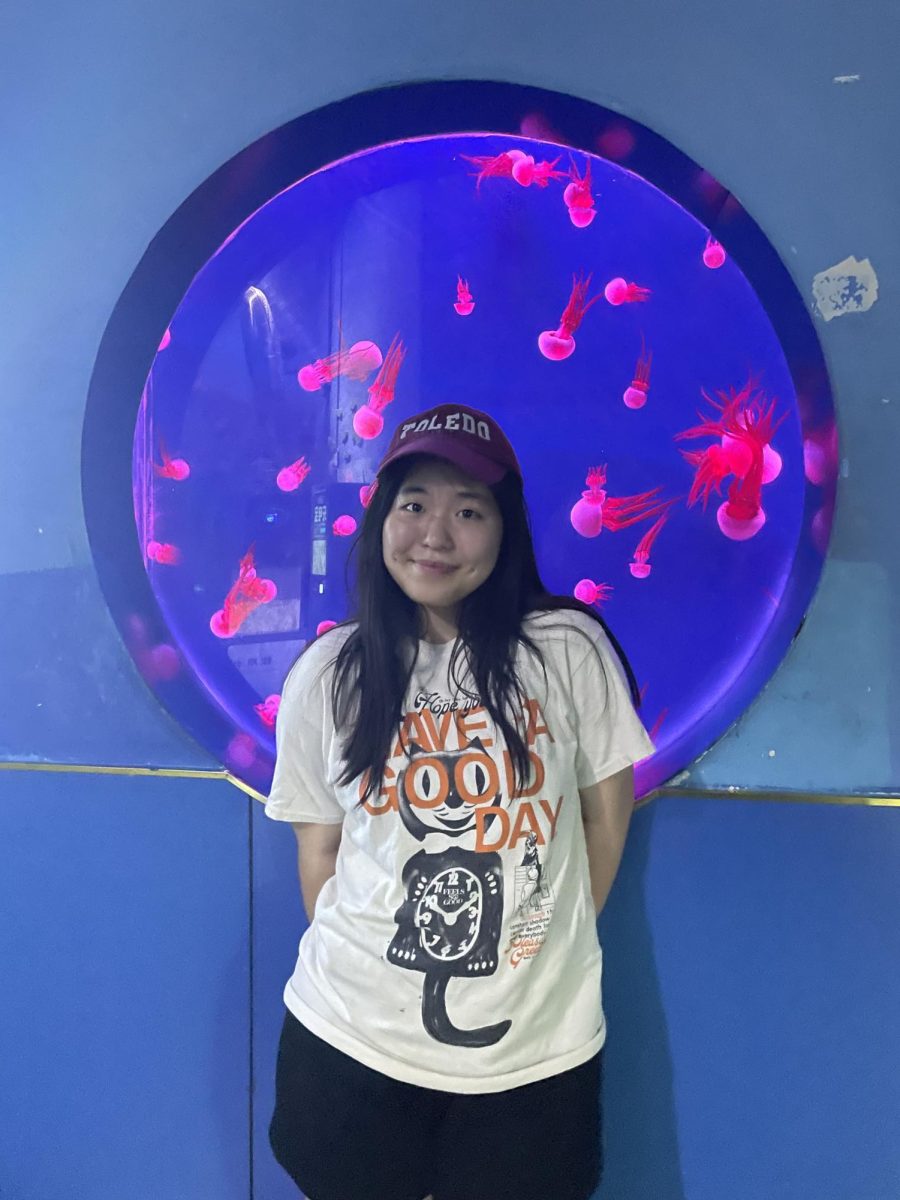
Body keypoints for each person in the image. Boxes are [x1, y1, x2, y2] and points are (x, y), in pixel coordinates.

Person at [265, 402, 655, 1200]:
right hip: (349, 1039)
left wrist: (536, 952)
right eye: (414, 505)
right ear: (380, 518)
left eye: (467, 511)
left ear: (505, 529)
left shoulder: (566, 649)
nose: (434, 535)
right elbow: (320, 852)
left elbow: (605, 818)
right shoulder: (330, 671)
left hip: (535, 1050)